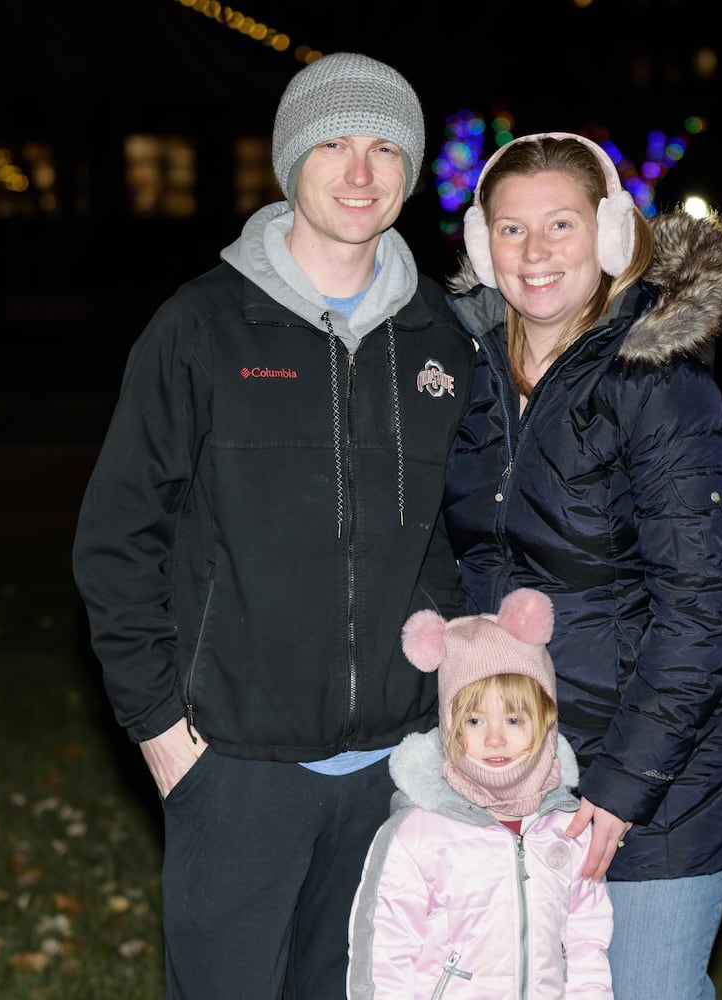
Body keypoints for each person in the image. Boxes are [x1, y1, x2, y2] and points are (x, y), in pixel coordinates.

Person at [71, 52, 474, 999]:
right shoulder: (203, 327)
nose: (361, 173)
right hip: (238, 768)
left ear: (412, 174)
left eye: (385, 149)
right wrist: (162, 731)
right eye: (334, 144)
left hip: (397, 774)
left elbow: (458, 542)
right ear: (292, 161)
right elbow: (116, 537)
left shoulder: (441, 337)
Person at [440, 132, 722, 999]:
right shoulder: (467, 379)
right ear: (482, 248)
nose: (536, 252)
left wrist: (624, 791)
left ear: (612, 236)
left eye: (560, 224)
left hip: (668, 785)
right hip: (522, 765)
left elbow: (703, 606)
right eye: (511, 231)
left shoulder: (656, 381)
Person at [347, 587, 614, 998]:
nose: (494, 739)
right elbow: (386, 951)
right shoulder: (419, 833)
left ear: (545, 722)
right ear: (450, 725)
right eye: (473, 720)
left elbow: (585, 942)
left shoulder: (568, 826)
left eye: (512, 719)